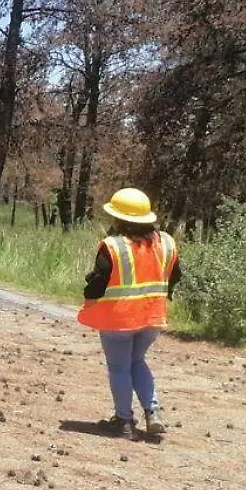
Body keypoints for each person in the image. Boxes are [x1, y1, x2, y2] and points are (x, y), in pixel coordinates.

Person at [78, 188, 181, 439]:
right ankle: (152, 410)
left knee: (120, 367)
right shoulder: (166, 241)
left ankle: (123, 421)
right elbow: (176, 275)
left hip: (119, 319)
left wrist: (88, 294)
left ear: (119, 218)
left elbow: (99, 283)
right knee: (137, 362)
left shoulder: (113, 246)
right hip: (153, 317)